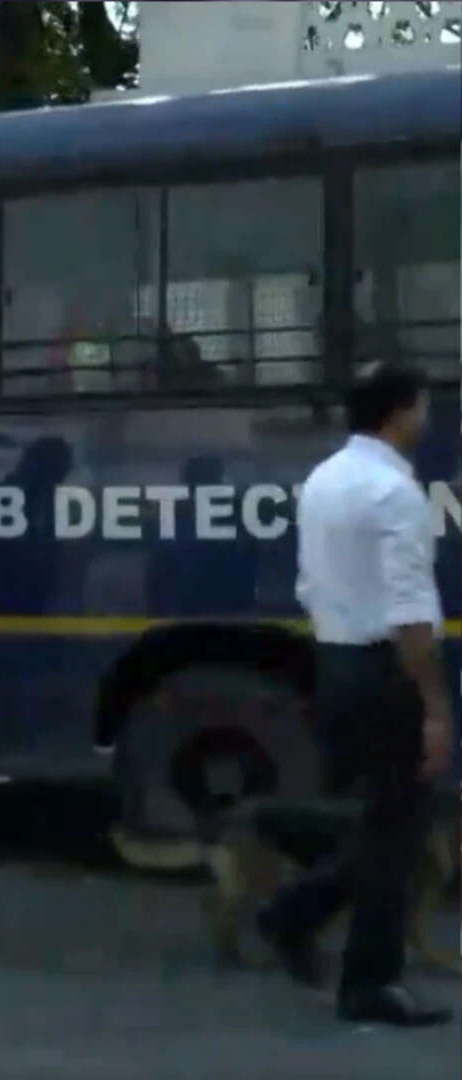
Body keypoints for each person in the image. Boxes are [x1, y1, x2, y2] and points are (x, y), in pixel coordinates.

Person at [256, 361, 452, 1028]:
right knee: (398, 828)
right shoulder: (394, 493)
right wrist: (434, 706)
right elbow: (409, 610)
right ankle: (370, 984)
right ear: (400, 413)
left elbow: (311, 585)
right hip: (385, 669)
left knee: (387, 822)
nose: (426, 419)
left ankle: (292, 915)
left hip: (336, 661)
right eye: (423, 407)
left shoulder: (324, 480)